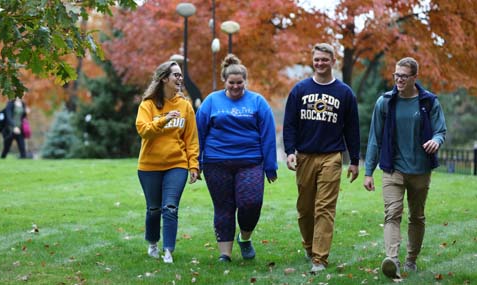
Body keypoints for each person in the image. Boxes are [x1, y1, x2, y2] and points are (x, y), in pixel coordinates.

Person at [363, 57, 447, 279]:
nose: (398, 79)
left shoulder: (429, 102)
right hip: (393, 169)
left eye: (403, 76)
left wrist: (436, 141)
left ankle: (411, 260)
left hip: (420, 170)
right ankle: (393, 260)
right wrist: (368, 172)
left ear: (414, 78)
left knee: (417, 216)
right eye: (396, 75)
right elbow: (375, 138)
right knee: (392, 213)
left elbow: (441, 130)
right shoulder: (385, 102)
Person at [282, 43, 360, 272]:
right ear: (312, 60)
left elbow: (352, 130)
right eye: (317, 59)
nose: (320, 63)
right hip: (305, 155)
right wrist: (289, 152)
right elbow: (289, 125)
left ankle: (320, 259)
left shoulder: (345, 93)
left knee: (324, 207)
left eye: (325, 59)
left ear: (333, 61)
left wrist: (354, 160)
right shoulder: (299, 90)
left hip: (331, 156)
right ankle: (308, 245)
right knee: (305, 209)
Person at [196, 54, 278, 262]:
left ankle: (245, 237)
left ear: (245, 81)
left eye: (239, 82)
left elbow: (268, 134)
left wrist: (270, 165)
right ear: (225, 82)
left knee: (251, 202)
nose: (235, 87)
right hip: (216, 162)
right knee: (224, 207)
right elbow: (198, 133)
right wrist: (196, 162)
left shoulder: (257, 101)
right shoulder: (211, 101)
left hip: (250, 161)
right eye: (231, 83)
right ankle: (225, 254)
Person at [135, 60, 200, 264]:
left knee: (170, 207)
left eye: (181, 75)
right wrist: (164, 119)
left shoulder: (185, 106)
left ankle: (168, 250)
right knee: (154, 209)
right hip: (149, 166)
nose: (180, 79)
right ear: (164, 78)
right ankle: (153, 243)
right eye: (176, 75)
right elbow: (143, 130)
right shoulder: (148, 105)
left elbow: (191, 139)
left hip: (177, 164)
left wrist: (194, 165)